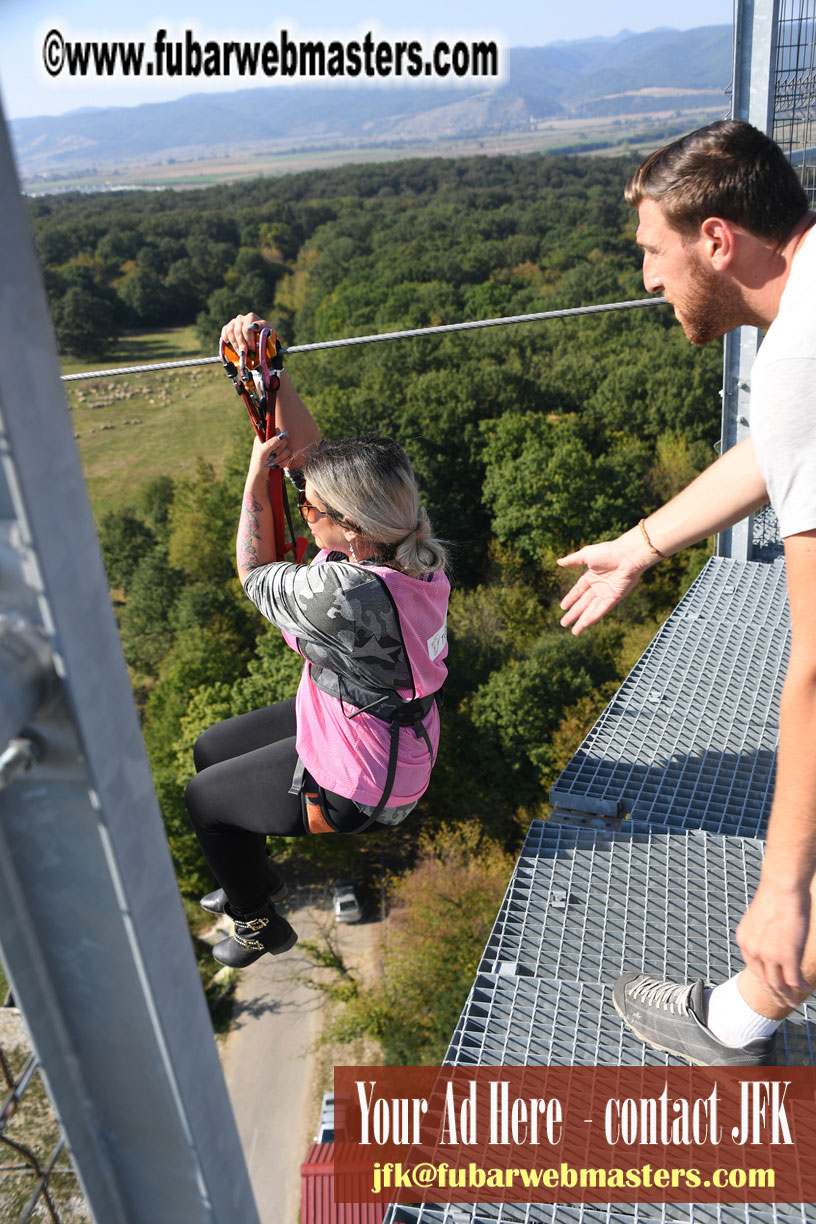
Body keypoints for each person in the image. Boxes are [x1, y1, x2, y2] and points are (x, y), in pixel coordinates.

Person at [557, 120, 816, 1066]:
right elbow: (779, 450)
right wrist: (642, 544)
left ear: (717, 239)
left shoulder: (800, 357)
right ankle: (740, 1018)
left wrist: (781, 889)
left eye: (653, 255)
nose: (648, 282)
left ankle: (736, 1018)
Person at [185, 312, 450, 968]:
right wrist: (271, 372)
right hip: (373, 724)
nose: (304, 506)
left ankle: (256, 921)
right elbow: (306, 456)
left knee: (205, 802)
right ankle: (250, 877)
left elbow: (253, 573)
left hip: (360, 782)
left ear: (350, 530)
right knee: (210, 747)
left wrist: (253, 476)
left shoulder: (346, 596)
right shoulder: (412, 544)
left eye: (313, 510)